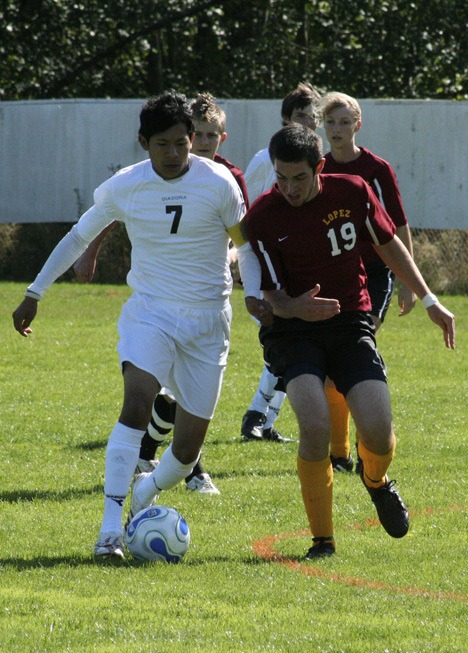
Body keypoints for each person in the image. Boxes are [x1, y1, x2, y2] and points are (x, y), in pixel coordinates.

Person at [12, 91, 249, 559]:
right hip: (151, 312)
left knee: (184, 455)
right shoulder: (126, 185)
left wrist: (261, 295)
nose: (176, 153)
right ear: (144, 142)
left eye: (183, 143)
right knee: (137, 404)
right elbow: (78, 236)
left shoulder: (220, 183)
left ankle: (147, 490)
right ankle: (108, 533)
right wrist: (35, 292)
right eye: (164, 144)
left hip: (208, 320)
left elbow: (249, 246)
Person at [243, 124, 455, 559]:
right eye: (281, 178)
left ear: (319, 167)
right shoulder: (263, 215)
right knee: (315, 424)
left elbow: (389, 244)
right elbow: (271, 298)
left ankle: (375, 480)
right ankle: (323, 539)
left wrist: (429, 297)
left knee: (377, 433)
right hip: (294, 332)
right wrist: (292, 308)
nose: (288, 188)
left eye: (298, 178)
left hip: (350, 322)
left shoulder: (353, 190)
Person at [133, 92, 251, 494]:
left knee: (185, 392)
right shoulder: (156, 173)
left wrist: (239, 261)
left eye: (210, 135)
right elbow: (115, 212)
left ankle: (153, 452)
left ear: (222, 138)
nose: (203, 142)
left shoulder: (227, 180)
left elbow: (243, 236)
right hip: (162, 302)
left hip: (208, 301)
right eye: (196, 134)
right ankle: (190, 468)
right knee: (173, 388)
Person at [320, 91, 417, 474]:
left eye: (345, 122)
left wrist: (408, 281)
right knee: (331, 364)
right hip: (333, 275)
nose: (338, 129)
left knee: (357, 346)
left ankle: (367, 446)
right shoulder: (319, 168)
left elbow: (399, 226)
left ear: (357, 125)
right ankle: (339, 453)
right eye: (331, 122)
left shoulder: (377, 170)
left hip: (373, 276)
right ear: (322, 127)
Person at [241, 82, 321, 443]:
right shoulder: (264, 161)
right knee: (284, 339)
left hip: (300, 265)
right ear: (286, 119)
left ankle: (264, 419)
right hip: (269, 263)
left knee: (299, 344)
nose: (308, 123)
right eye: (301, 116)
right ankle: (257, 415)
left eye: (313, 117)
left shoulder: (315, 161)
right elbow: (245, 211)